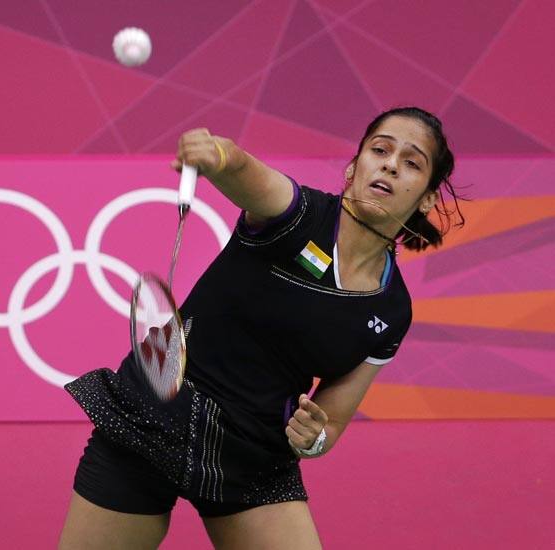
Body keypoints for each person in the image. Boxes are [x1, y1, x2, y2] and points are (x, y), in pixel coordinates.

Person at [58, 107, 464, 549]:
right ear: (353, 167)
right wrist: (217, 155)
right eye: (380, 150)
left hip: (252, 455)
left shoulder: (391, 309)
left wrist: (312, 438)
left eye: (411, 162)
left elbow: (331, 422)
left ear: (426, 197)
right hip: (156, 414)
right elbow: (245, 171)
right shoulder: (300, 216)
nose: (389, 164)